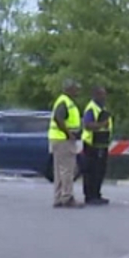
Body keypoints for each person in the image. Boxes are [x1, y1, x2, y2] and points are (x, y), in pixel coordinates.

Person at [49, 80, 83, 208]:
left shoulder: (64, 101)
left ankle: (58, 197)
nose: (77, 91)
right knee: (67, 170)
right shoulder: (65, 102)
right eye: (75, 89)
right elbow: (59, 118)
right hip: (64, 140)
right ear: (68, 89)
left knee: (59, 170)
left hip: (58, 138)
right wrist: (69, 133)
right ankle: (67, 197)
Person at [80, 86, 112, 206]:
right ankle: (90, 196)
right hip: (92, 144)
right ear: (95, 95)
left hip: (102, 143)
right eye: (101, 94)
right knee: (91, 171)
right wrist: (102, 124)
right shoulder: (91, 108)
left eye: (104, 94)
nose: (104, 97)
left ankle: (97, 194)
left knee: (100, 171)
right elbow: (88, 125)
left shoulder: (102, 108)